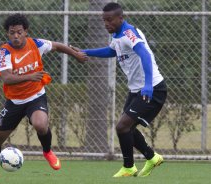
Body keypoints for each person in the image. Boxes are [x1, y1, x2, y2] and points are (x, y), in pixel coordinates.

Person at [0, 14, 87, 178]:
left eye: (19, 32)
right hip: (14, 102)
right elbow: (6, 77)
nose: (16, 36)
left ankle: (47, 152)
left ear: (26, 31)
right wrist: (29, 76)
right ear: (7, 33)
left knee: (40, 125)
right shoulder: (5, 51)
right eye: (12, 32)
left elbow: (57, 46)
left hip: (36, 97)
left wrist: (75, 55)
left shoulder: (36, 44)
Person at [71, 2, 167, 177]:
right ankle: (152, 157)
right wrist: (86, 52)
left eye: (110, 20)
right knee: (126, 127)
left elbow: (144, 54)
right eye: (104, 20)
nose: (107, 24)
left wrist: (147, 85)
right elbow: (111, 51)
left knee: (122, 126)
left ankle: (129, 167)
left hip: (152, 88)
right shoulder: (117, 36)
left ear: (120, 18)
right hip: (136, 90)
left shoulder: (129, 33)